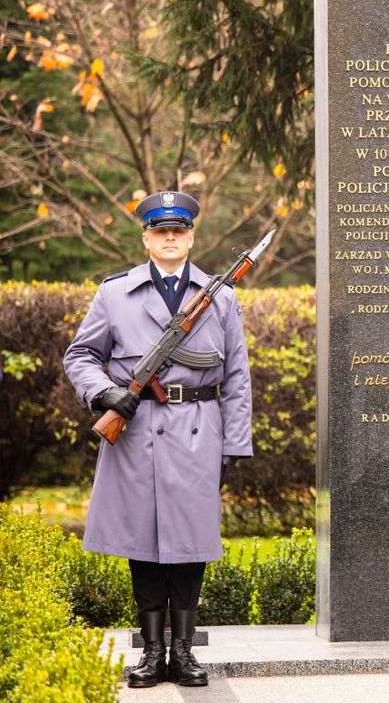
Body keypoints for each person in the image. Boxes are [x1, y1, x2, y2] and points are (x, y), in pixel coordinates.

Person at [63, 191, 253, 688]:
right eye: (160, 231)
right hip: (136, 431)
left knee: (191, 544)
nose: (170, 238)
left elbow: (236, 377)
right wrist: (105, 393)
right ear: (146, 237)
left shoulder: (221, 296)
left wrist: (234, 444)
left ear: (191, 237)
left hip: (199, 431)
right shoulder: (114, 293)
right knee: (143, 543)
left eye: (180, 230)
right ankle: (152, 653)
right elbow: (79, 355)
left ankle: (185, 652)